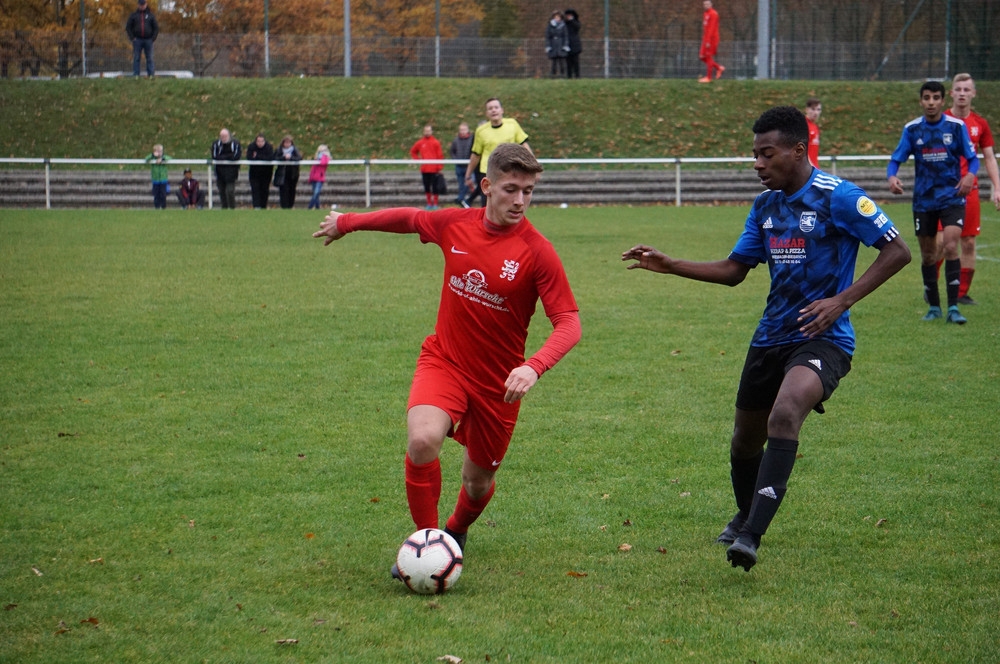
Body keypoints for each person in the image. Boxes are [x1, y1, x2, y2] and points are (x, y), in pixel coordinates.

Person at [622, 106, 911, 572]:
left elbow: (897, 251)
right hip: (770, 336)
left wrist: (841, 301)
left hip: (823, 336)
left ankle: (751, 536)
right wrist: (671, 265)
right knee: (743, 443)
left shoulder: (839, 197)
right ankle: (745, 513)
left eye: (766, 153)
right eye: (754, 154)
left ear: (797, 150)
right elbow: (734, 271)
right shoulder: (765, 206)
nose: (757, 163)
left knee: (786, 411)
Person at [313, 143, 581, 572]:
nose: (520, 200)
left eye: (528, 191)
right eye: (511, 189)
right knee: (422, 441)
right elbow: (410, 219)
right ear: (486, 186)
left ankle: (456, 530)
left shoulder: (537, 251)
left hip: (498, 386)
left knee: (477, 482)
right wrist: (347, 222)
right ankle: (427, 545)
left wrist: (534, 366)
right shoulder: (456, 224)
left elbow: (568, 322)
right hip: (445, 362)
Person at [888, 80, 979, 325]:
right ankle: (934, 307)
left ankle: (954, 308)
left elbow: (973, 159)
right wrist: (892, 177)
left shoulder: (956, 127)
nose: (931, 102)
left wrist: (970, 175)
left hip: (952, 197)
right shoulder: (912, 129)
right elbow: (895, 160)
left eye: (936, 98)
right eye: (927, 98)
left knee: (950, 246)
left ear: (942, 100)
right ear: (921, 101)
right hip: (924, 201)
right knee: (928, 255)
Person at [944, 73, 1000, 305]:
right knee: (940, 243)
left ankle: (961, 293)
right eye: (958, 89)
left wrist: (998, 188)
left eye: (967, 90)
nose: (962, 94)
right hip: (943, 190)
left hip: (970, 191)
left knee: (968, 242)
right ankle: (931, 288)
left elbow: (989, 157)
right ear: (951, 93)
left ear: (973, 94)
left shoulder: (980, 124)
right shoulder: (940, 120)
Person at [463, 98, 531, 209]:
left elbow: (524, 146)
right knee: (487, 207)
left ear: (502, 110)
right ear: (487, 113)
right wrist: (468, 174)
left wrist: (533, 166)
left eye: (496, 107)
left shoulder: (512, 124)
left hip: (510, 171)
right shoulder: (481, 131)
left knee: (509, 205)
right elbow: (476, 154)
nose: (493, 110)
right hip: (488, 173)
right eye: (490, 108)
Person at [410, 125, 445, 210]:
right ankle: (429, 203)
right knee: (427, 186)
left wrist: (439, 167)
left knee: (435, 187)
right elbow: (413, 151)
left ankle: (435, 203)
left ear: (431, 132)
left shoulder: (436, 142)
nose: (427, 132)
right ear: (423, 132)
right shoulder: (420, 142)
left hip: (434, 169)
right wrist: (418, 160)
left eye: (429, 131)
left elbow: (440, 155)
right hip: (425, 169)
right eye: (426, 131)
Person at [125, 0, 158, 78]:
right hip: (137, 40)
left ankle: (150, 74)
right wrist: (132, 38)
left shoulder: (151, 15)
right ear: (138, 5)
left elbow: (156, 28)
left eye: (143, 4)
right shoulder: (133, 15)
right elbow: (128, 27)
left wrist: (153, 38)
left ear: (146, 4)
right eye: (141, 4)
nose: (142, 6)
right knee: (136, 57)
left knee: (149, 58)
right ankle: (136, 74)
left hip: (148, 40)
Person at [211, 128, 241, 209]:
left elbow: (236, 156)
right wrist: (228, 157)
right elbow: (215, 156)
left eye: (225, 136)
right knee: (221, 191)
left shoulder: (235, 143)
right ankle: (224, 208)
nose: (223, 138)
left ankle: (232, 208)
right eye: (221, 136)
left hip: (231, 172)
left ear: (229, 135)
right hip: (219, 172)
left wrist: (223, 157)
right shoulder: (216, 144)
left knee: (230, 191)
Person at [273, 135, 302, 209]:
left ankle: (290, 205)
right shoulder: (279, 150)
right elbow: (275, 158)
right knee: (283, 190)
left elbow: (299, 158)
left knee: (292, 189)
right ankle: (284, 206)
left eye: (289, 142)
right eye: (286, 142)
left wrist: (291, 158)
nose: (287, 144)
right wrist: (284, 158)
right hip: (282, 174)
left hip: (293, 173)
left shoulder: (294, 150)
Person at [247, 133, 275, 210]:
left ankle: (263, 207)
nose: (260, 143)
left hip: (266, 173)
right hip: (254, 173)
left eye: (262, 141)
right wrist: (261, 157)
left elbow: (270, 158)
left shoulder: (269, 147)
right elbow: (249, 158)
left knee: (265, 190)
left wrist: (257, 156)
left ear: (264, 141)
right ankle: (256, 207)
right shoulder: (251, 147)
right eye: (258, 141)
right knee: (255, 190)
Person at [699, 0, 724, 83]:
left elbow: (711, 28)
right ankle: (719, 68)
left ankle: (708, 78)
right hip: (706, 38)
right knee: (702, 57)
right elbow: (706, 28)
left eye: (707, 4)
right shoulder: (705, 14)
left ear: (711, 4)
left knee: (708, 56)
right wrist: (705, 38)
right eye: (704, 4)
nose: (706, 5)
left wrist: (708, 41)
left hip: (712, 39)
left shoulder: (713, 14)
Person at [449, 123, 473, 206]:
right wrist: (455, 159)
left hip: (469, 165)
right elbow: (452, 151)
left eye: (464, 129)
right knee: (460, 183)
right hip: (459, 166)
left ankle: (461, 198)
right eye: (461, 130)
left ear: (467, 130)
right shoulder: (456, 140)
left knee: (467, 183)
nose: (463, 131)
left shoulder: (472, 140)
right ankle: (461, 199)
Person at [143, 143, 171, 209]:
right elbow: (146, 158)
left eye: (160, 151)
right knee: (156, 195)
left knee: (163, 194)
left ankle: (163, 207)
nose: (159, 153)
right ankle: (157, 207)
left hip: (163, 179)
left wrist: (162, 158)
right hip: (155, 180)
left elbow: (169, 158)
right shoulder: (152, 158)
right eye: (157, 151)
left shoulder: (164, 157)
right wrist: (152, 155)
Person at [545, 10, 570, 78]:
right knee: (554, 62)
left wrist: (565, 45)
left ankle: (563, 75)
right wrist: (548, 45)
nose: (557, 18)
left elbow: (566, 36)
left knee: (562, 62)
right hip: (553, 45)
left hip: (561, 45)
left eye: (558, 17)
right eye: (555, 17)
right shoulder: (550, 26)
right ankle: (553, 75)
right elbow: (547, 36)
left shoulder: (563, 26)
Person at [307, 145, 332, 210]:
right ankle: (317, 207)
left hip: (320, 178)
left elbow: (323, 163)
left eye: (323, 150)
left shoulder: (326, 157)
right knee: (316, 194)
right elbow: (312, 170)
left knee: (316, 193)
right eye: (320, 151)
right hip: (314, 178)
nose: (321, 152)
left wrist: (323, 156)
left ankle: (310, 207)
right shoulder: (316, 158)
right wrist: (310, 178)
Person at [564, 9, 582, 79]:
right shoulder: (565, 23)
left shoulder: (575, 22)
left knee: (576, 62)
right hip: (567, 45)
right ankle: (569, 76)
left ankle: (577, 76)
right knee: (568, 62)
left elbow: (578, 27)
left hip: (575, 45)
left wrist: (572, 20)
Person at [804, 97, 822, 169]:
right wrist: (811, 167)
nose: (816, 113)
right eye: (813, 109)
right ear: (807, 110)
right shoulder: (804, 125)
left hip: (814, 167)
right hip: (807, 169)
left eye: (818, 109)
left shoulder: (815, 127)